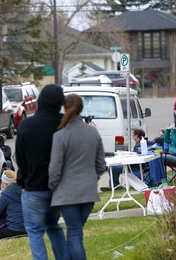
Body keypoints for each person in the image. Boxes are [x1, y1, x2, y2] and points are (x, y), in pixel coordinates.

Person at [49, 93, 106, 260]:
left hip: (67, 194)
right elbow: (101, 164)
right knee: (76, 233)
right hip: (88, 192)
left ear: (64, 108)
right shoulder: (93, 132)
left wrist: (53, 187)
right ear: (81, 108)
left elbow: (55, 169)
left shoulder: (60, 135)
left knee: (74, 234)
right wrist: (92, 179)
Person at [15, 84, 66, 260]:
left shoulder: (27, 125)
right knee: (53, 225)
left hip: (34, 187)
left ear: (41, 101)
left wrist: (22, 181)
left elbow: (20, 159)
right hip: (59, 188)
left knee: (35, 230)